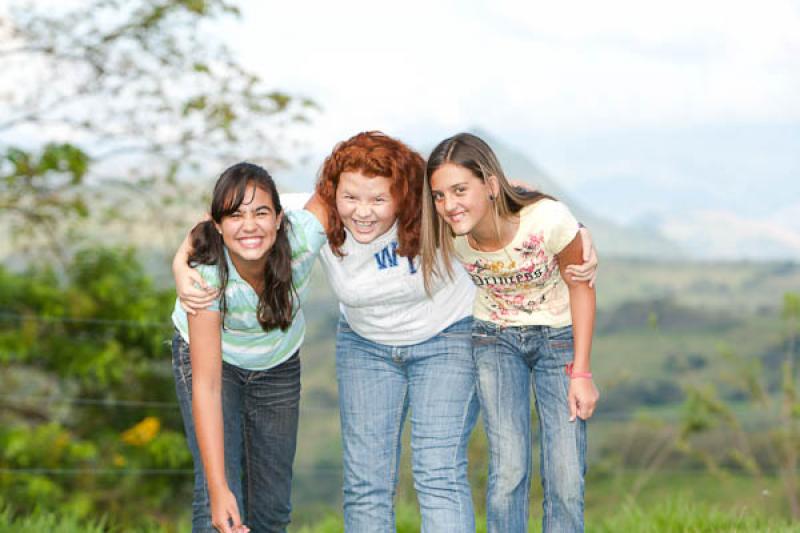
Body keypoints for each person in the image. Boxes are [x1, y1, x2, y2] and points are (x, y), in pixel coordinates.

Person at [176, 132, 599, 533]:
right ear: (333, 194)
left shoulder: (432, 203)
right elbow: (230, 212)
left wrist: (576, 229)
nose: (363, 211)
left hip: (444, 338)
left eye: (379, 199)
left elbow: (498, 190)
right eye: (351, 197)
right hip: (365, 347)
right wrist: (183, 263)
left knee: (438, 474)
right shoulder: (315, 217)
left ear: (402, 194)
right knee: (366, 485)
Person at [420, 132, 599, 533]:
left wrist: (582, 373)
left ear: (490, 184)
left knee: (566, 475)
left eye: (460, 190)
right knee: (508, 471)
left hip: (558, 340)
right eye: (439, 195)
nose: (449, 205)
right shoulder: (448, 231)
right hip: (495, 341)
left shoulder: (546, 221)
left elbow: (581, 288)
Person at [170, 162, 326, 533]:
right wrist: (220, 488)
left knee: (272, 510)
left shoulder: (304, 236)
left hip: (278, 362)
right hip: (214, 362)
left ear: (279, 218)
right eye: (236, 215)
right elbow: (207, 387)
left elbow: (340, 184)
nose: (250, 225)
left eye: (260, 212)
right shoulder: (205, 273)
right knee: (218, 505)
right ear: (218, 225)